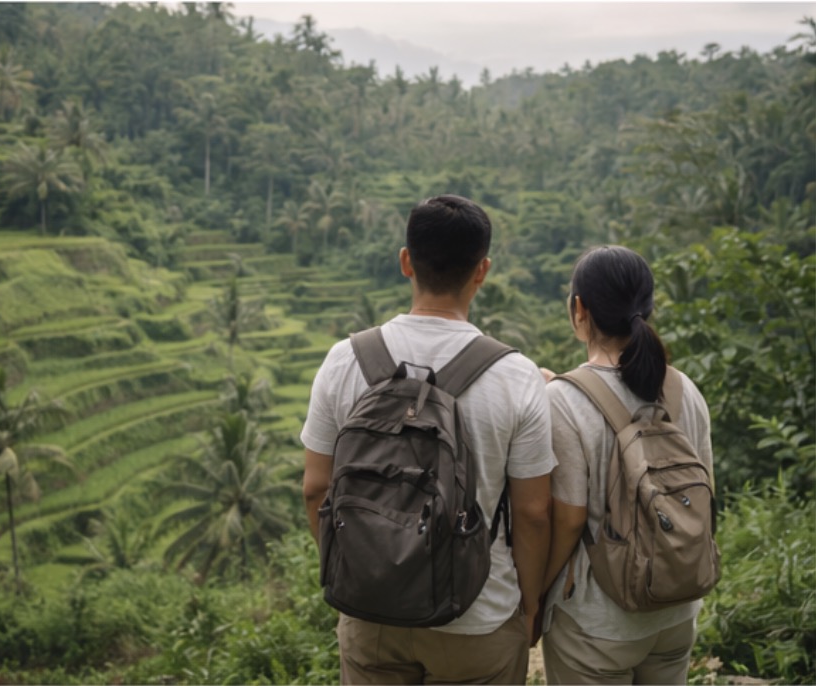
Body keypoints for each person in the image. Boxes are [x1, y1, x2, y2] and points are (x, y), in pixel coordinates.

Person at [300, 194, 554, 685]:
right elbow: (533, 513)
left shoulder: (344, 360)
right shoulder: (515, 375)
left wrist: (358, 568)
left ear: (405, 261)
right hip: (478, 616)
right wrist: (529, 606)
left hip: (372, 613)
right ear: (482, 271)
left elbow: (316, 489)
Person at [539, 245, 714, 685]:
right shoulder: (684, 389)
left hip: (597, 624)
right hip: (676, 611)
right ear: (647, 307)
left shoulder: (563, 401)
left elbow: (569, 520)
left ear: (579, 309)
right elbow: (706, 495)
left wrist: (536, 598)